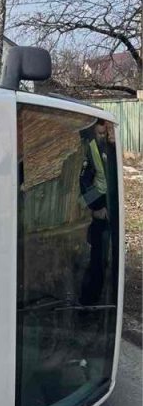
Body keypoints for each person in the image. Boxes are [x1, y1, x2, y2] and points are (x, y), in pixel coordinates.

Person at [79, 119, 115, 305]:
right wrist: (96, 210)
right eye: (99, 133)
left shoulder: (109, 146)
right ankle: (89, 300)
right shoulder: (91, 148)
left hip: (111, 203)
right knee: (98, 256)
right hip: (100, 203)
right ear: (93, 131)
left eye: (104, 133)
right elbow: (84, 182)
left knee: (106, 254)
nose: (103, 136)